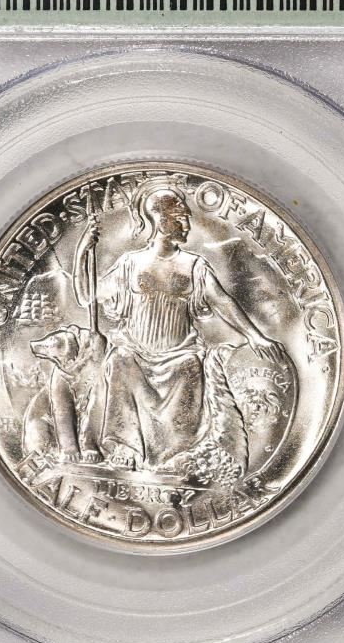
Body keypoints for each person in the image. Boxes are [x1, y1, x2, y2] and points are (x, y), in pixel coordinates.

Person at [73, 181, 286, 470]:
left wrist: (254, 336)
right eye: (180, 217)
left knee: (191, 367)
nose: (186, 224)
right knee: (120, 360)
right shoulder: (130, 264)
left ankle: (178, 454)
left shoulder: (194, 266)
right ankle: (126, 445)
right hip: (136, 353)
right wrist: (82, 252)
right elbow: (87, 297)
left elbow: (222, 302)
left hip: (180, 355)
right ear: (160, 220)